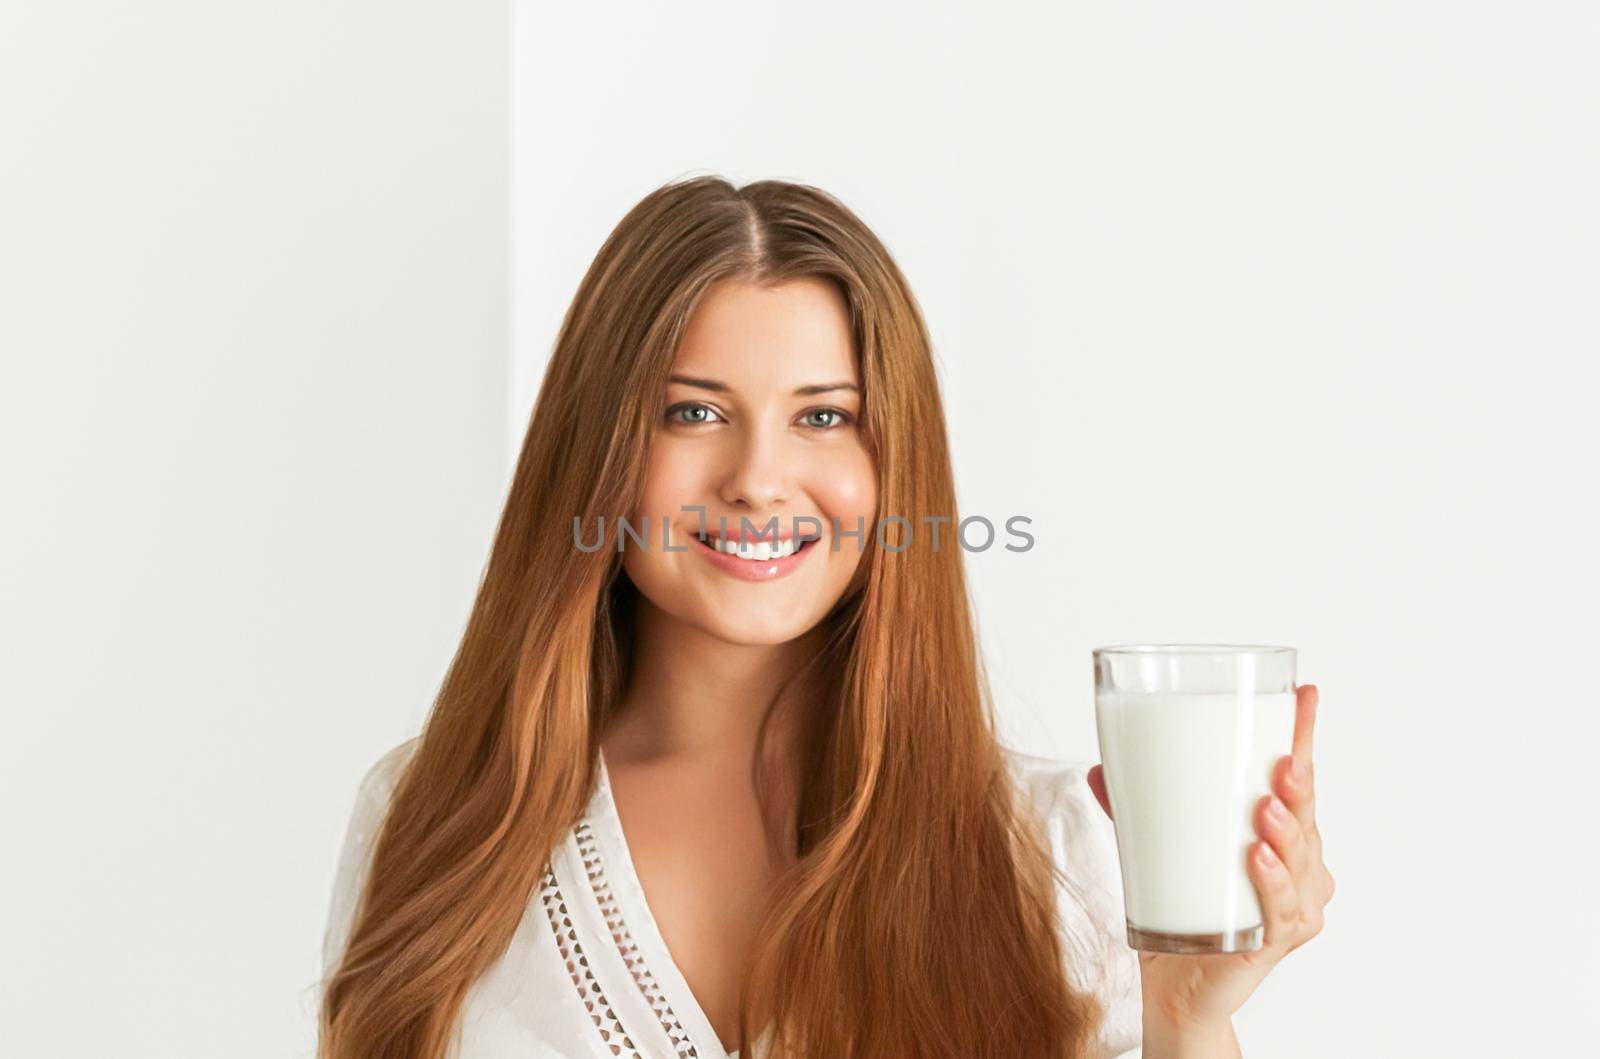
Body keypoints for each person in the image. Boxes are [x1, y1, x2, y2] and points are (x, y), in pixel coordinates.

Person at [316, 175, 1333, 1059]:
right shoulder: (439, 817)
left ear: (895, 461)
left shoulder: (1055, 856)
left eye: (824, 417)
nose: (759, 480)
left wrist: (1189, 1021)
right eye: (695, 412)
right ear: (598, 448)